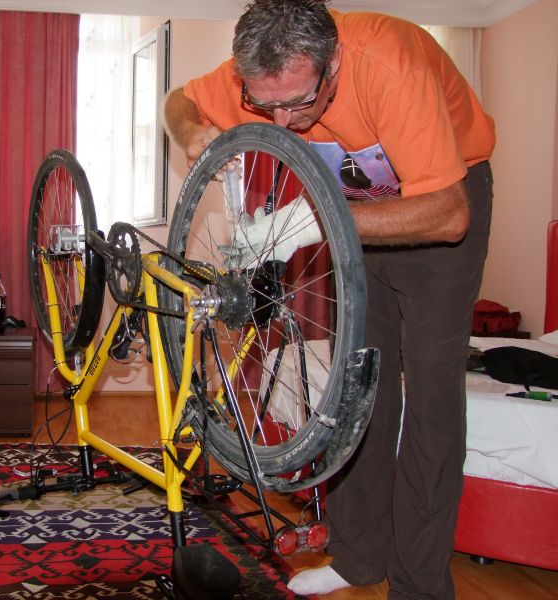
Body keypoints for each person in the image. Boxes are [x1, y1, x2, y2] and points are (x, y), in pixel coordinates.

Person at [163, 1, 495, 598]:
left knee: (431, 399)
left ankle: (420, 585)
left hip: (441, 199)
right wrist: (194, 133)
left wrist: (312, 219)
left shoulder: (390, 66)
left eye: (299, 102)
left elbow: (449, 215)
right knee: (356, 388)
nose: (283, 125)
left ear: (334, 60)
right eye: (266, 106)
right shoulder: (265, 71)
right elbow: (179, 101)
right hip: (359, 209)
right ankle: (358, 558)